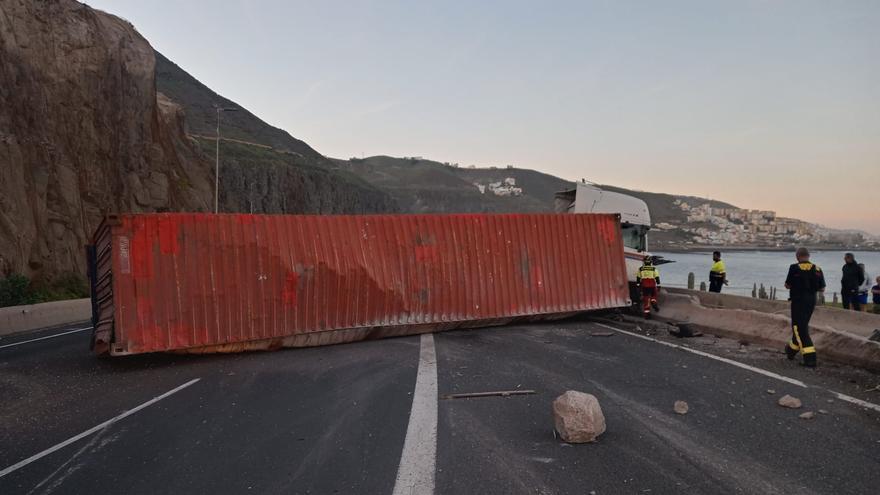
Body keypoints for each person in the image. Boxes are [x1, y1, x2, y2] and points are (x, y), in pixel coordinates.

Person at [784, 247, 825, 368]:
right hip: (811, 301)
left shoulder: (794, 268)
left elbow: (787, 285)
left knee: (799, 329)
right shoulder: (817, 269)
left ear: (797, 256)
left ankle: (810, 359)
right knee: (802, 326)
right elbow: (822, 288)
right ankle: (790, 351)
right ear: (809, 256)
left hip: (798, 301)